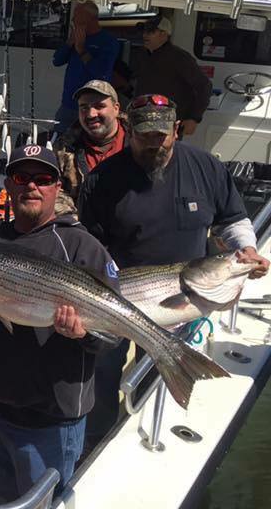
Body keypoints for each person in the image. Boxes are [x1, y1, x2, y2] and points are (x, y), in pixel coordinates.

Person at [77, 94, 269, 450]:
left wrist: (247, 249)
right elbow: (86, 246)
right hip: (115, 298)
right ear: (128, 129)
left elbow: (233, 218)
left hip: (185, 302)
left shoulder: (207, 167)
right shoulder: (101, 181)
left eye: (162, 135)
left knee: (160, 382)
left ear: (177, 130)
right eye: (145, 135)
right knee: (100, 380)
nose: (155, 143)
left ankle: (141, 440)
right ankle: (94, 444)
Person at [0, 145, 122, 503]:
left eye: (43, 178)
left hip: (47, 420)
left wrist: (82, 334)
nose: (32, 187)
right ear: (10, 184)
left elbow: (112, 332)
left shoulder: (82, 247)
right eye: (22, 177)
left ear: (57, 187)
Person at [52, 80, 129, 215]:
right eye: (84, 107)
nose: (91, 114)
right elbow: (56, 192)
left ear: (116, 108)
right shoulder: (64, 148)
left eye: (99, 106)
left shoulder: (138, 141)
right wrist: (75, 227)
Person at [132, 16, 212, 136]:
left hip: (168, 123)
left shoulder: (179, 58)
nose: (145, 35)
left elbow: (204, 86)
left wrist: (194, 118)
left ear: (164, 34)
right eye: (144, 31)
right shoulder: (142, 55)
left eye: (150, 31)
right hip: (143, 119)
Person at [51, 1, 119, 133]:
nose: (73, 20)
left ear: (90, 19)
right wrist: (69, 43)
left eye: (77, 17)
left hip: (93, 107)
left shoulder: (108, 42)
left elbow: (102, 74)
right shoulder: (75, 38)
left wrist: (82, 51)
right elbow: (57, 61)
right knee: (60, 141)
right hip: (69, 104)